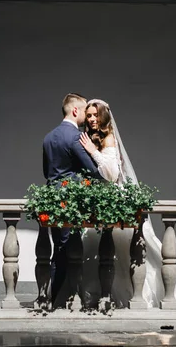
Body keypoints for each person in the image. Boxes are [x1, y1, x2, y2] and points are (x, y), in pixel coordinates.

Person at [79, 99, 176, 308]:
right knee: (98, 248)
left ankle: (129, 294)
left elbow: (112, 174)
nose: (92, 119)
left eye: (96, 115)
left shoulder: (109, 139)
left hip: (112, 200)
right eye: (89, 116)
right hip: (100, 199)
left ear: (104, 116)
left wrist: (92, 152)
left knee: (122, 250)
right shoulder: (95, 138)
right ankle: (102, 295)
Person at [42, 93, 103, 307]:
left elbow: (46, 172)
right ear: (75, 111)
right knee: (70, 250)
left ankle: (52, 298)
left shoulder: (48, 137)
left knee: (57, 247)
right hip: (71, 200)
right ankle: (62, 299)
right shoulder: (75, 137)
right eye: (85, 112)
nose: (87, 117)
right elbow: (94, 170)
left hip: (52, 198)